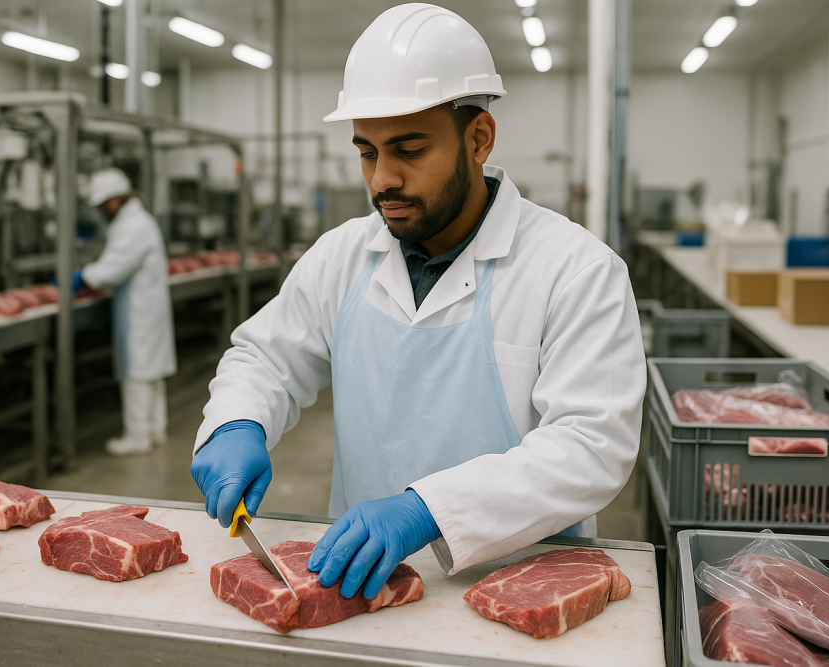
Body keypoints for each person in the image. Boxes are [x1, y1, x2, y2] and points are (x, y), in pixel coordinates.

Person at [190, 3, 645, 602]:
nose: (383, 179)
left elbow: (590, 446)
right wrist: (237, 422)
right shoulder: (342, 255)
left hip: (517, 590)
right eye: (368, 152)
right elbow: (265, 358)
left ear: (478, 139)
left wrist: (428, 510)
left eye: (408, 150)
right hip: (359, 582)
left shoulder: (575, 270)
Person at [78, 167, 176, 456]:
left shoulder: (133, 226)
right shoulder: (138, 221)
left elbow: (114, 267)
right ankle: (155, 430)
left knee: (138, 373)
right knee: (152, 372)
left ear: (113, 200)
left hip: (139, 312)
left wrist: (84, 277)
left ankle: (138, 436)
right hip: (147, 308)